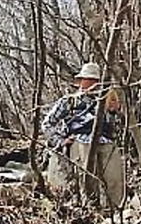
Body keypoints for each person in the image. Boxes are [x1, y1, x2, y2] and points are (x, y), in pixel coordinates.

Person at [41, 61, 126, 210]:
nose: (93, 84)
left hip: (106, 141)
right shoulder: (69, 102)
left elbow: (121, 126)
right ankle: (90, 211)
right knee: (86, 179)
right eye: (89, 80)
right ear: (81, 80)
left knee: (115, 179)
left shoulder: (107, 100)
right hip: (80, 142)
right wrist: (60, 141)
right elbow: (47, 124)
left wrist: (115, 111)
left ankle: (116, 213)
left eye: (96, 80)